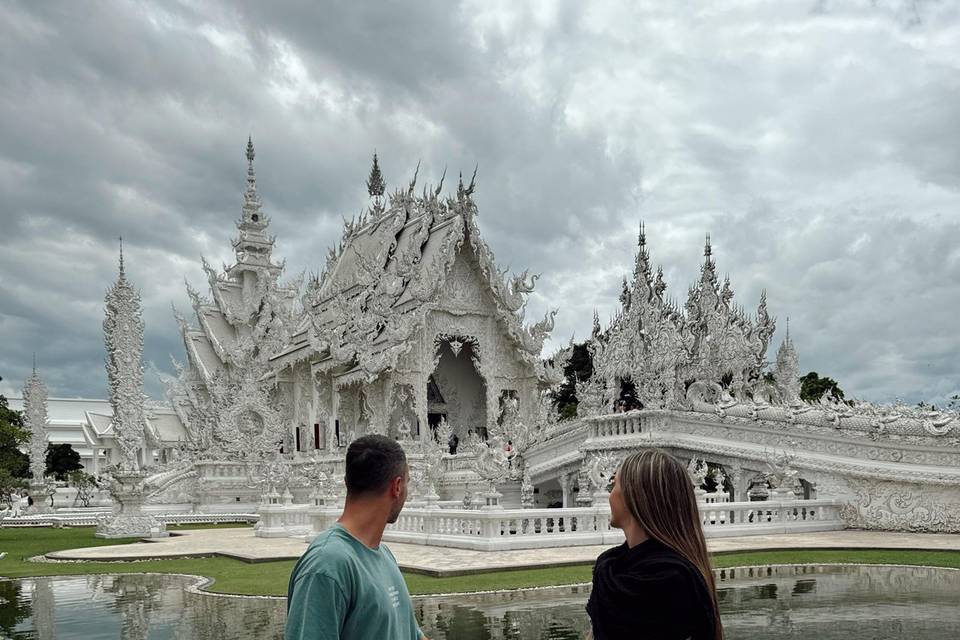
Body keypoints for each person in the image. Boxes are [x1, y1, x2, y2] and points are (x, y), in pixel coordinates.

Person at [285, 435, 428, 640]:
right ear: (397, 487)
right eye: (408, 483)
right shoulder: (327, 565)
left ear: (346, 483)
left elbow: (411, 634)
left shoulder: (384, 554)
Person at [587, 449, 722, 640]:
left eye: (613, 485)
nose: (609, 495)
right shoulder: (610, 568)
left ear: (633, 497)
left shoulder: (671, 577)